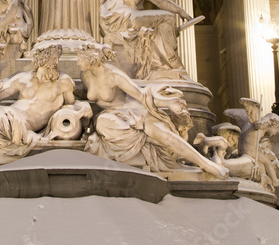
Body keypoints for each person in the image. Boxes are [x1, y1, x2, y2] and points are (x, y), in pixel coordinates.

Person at [78, 45, 227, 179]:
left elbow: (141, 95)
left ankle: (206, 164)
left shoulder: (113, 75)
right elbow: (88, 95)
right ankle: (146, 142)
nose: (78, 62)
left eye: (80, 59)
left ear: (92, 60)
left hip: (131, 110)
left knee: (162, 134)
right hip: (108, 114)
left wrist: (167, 103)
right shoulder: (85, 75)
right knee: (104, 124)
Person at [99, 0, 193, 79]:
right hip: (120, 18)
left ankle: (163, 64)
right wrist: (180, 10)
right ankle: (174, 63)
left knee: (160, 25)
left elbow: (143, 15)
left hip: (125, 17)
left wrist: (166, 31)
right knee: (167, 17)